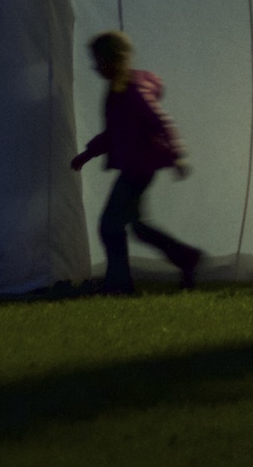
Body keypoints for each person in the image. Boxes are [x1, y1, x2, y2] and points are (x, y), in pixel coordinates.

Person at [71, 31, 202, 293]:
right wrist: (88, 154)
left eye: (99, 61)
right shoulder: (118, 91)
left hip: (138, 170)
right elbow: (113, 133)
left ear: (114, 60)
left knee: (110, 225)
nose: (95, 67)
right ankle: (186, 258)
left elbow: (161, 121)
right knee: (138, 227)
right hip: (136, 169)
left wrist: (178, 155)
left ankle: (119, 284)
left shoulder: (133, 91)